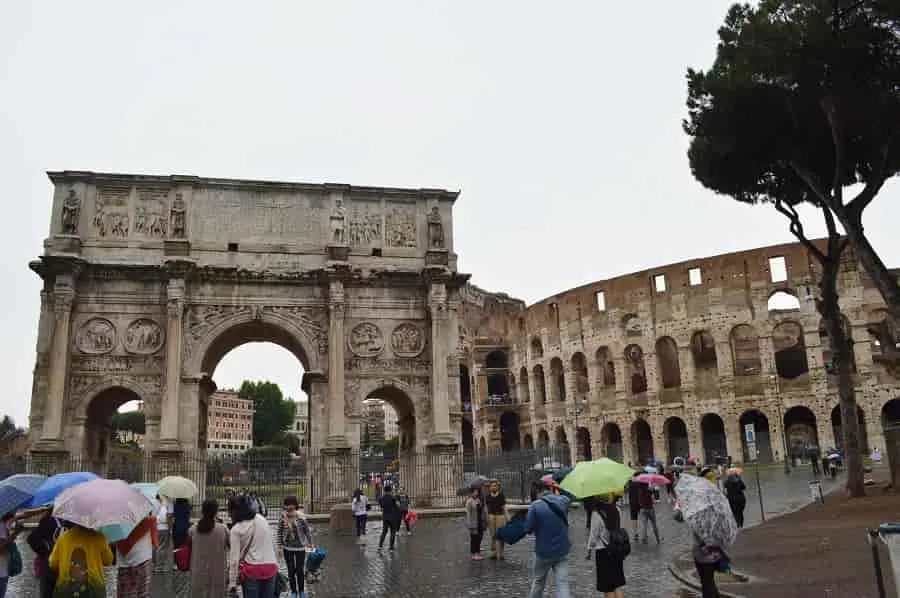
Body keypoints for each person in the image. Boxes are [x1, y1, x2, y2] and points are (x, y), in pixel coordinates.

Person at [524, 478, 574, 598]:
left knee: (538, 581)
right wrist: (559, 487)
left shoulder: (535, 506)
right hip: (562, 550)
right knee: (562, 583)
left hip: (543, 552)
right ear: (550, 488)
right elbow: (571, 496)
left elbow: (528, 529)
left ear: (536, 491)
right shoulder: (562, 500)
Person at [228, 494, 279, 598]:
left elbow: (234, 560)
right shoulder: (261, 519)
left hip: (252, 571)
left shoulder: (236, 530)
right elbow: (273, 544)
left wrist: (232, 584)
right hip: (271, 568)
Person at [49, 525, 114, 598]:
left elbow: (53, 563)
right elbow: (108, 560)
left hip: (66, 590)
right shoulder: (100, 538)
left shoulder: (63, 538)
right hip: (95, 590)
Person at [586, 496, 626, 598]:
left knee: (607, 587)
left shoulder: (596, 514)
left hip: (603, 552)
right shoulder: (617, 509)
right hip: (616, 550)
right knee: (617, 585)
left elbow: (593, 534)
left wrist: (589, 550)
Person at [189, 498, 229, 598]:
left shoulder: (193, 529)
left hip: (198, 571)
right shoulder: (222, 529)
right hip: (218, 572)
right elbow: (230, 545)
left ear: (202, 511)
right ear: (216, 511)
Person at [114, 513, 157, 598]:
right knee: (143, 593)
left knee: (126, 594)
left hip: (124, 563)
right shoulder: (148, 521)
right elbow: (154, 542)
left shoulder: (115, 522)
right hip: (144, 560)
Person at [277, 495, 312, 598]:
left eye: (291, 504)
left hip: (301, 547)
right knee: (291, 570)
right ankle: (293, 591)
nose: (289, 506)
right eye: (287, 504)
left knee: (300, 570)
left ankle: (301, 591)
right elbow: (279, 532)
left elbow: (307, 531)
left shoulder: (301, 516)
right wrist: (279, 546)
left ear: (295, 505)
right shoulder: (282, 517)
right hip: (288, 548)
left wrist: (310, 543)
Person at [27, 507, 63, 598]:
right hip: (59, 565)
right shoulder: (66, 522)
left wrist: (42, 552)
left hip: (49, 564)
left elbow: (31, 538)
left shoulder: (47, 520)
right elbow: (32, 538)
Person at [485, 480, 508, 559]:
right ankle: (494, 552)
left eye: (495, 485)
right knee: (493, 535)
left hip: (500, 516)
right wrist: (486, 518)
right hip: (491, 517)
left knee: (500, 535)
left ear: (498, 487)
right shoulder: (487, 496)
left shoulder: (501, 496)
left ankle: (501, 553)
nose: (493, 487)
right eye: (492, 486)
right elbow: (486, 508)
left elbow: (504, 507)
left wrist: (507, 517)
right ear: (489, 487)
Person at [464, 486, 487, 561]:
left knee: (478, 537)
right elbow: (468, 513)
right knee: (474, 538)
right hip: (473, 522)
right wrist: (469, 524)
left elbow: (481, 509)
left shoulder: (478, 500)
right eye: (475, 492)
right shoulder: (469, 501)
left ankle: (477, 552)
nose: (476, 493)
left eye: (477, 492)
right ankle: (474, 554)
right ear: (471, 493)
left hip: (479, 521)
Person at [378, 485, 401, 552]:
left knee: (384, 532)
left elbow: (381, 506)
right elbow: (397, 507)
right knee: (392, 532)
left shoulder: (381, 498)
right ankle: (391, 547)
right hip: (392, 517)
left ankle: (380, 546)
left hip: (385, 517)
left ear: (384, 490)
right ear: (390, 490)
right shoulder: (393, 498)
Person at [624, 473, 643, 541]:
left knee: (634, 518)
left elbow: (625, 490)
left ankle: (635, 533)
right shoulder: (640, 482)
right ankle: (644, 533)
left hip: (632, 502)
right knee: (644, 518)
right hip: (640, 502)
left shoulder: (630, 482)